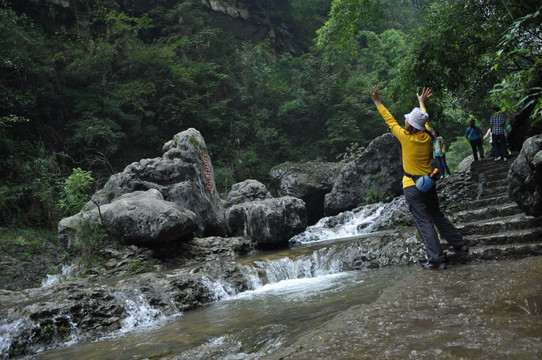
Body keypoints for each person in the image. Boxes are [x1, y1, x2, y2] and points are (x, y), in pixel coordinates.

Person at [370, 84, 468, 270]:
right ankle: (459, 243)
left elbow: (389, 120)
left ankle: (437, 260)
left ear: (410, 125)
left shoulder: (406, 137)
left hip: (412, 186)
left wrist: (377, 101)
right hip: (428, 183)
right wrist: (422, 103)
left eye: (407, 120)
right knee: (436, 215)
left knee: (424, 223)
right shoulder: (427, 135)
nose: (404, 121)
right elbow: (424, 117)